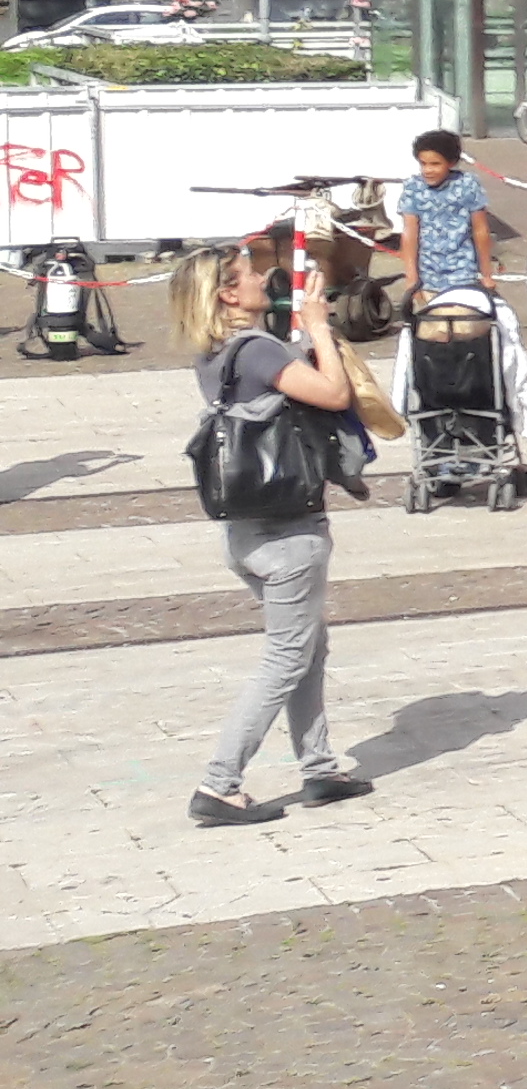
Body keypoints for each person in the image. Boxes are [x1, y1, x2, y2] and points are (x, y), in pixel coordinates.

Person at [173, 234, 374, 827]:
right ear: (228, 292)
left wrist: (302, 325)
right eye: (249, 273)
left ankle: (319, 769)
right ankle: (220, 784)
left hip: (246, 533)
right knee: (287, 656)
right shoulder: (259, 352)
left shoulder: (219, 355)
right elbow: (334, 393)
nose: (263, 277)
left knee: (308, 646)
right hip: (289, 535)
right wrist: (316, 328)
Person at [392, 128, 497, 306]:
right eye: (423, 163)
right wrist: (411, 277)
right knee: (434, 328)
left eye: (435, 164)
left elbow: (480, 230)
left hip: (464, 274)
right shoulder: (413, 188)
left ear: (452, 162)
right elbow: (410, 234)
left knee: (465, 325)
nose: (428, 170)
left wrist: (486, 274)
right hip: (428, 276)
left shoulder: (468, 185)